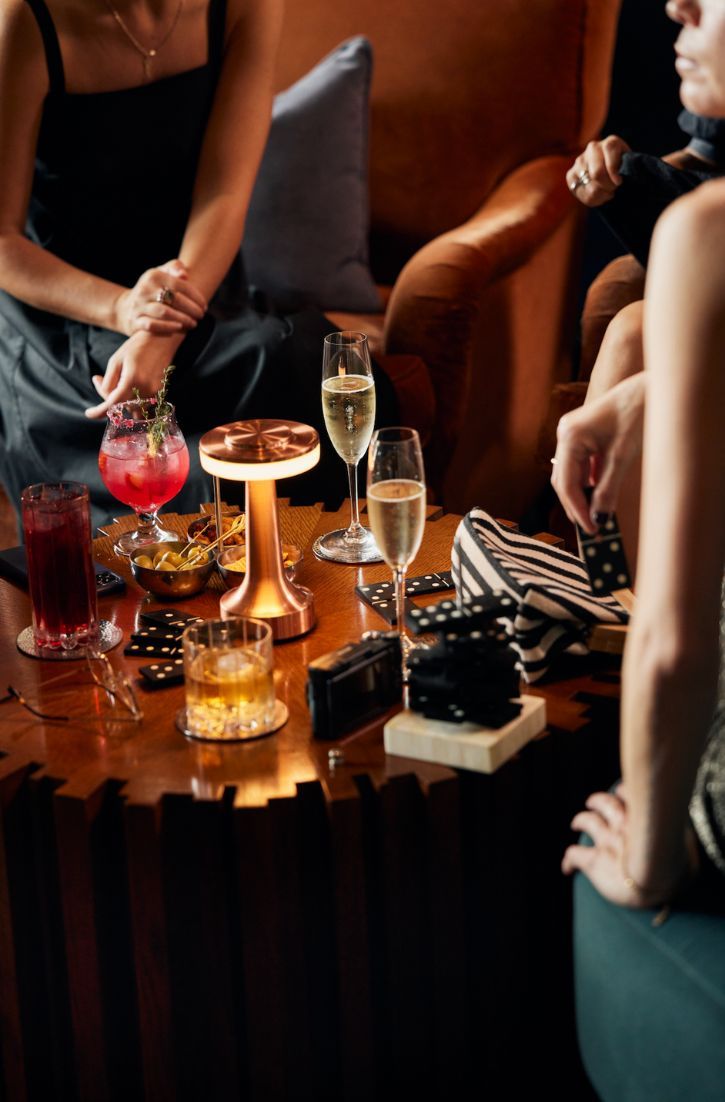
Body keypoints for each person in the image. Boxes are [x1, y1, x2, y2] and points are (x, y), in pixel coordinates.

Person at [0, 0, 396, 528]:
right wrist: (124, 309)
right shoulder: (24, 18)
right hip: (66, 308)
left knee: (287, 369)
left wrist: (160, 330)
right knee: (151, 451)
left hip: (197, 282)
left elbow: (223, 196)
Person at [555, 0, 724, 909]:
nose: (676, 3)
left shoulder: (707, 238)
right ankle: (598, 589)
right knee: (628, 334)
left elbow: (675, 647)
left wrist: (650, 866)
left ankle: (593, 613)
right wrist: (646, 393)